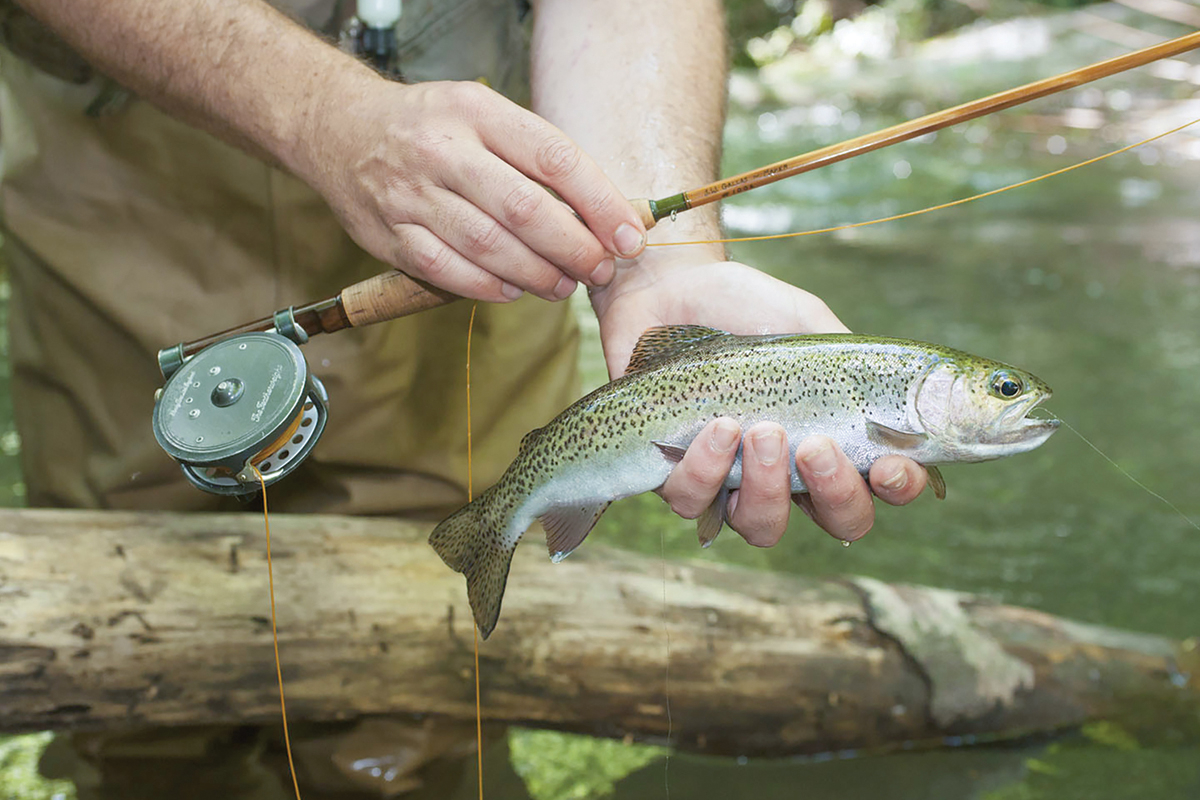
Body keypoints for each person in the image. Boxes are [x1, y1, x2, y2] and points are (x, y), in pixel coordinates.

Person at [0, 0, 930, 796]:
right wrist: (323, 113)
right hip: (120, 153)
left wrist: (661, 259)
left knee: (426, 711)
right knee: (149, 698)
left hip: (494, 203)